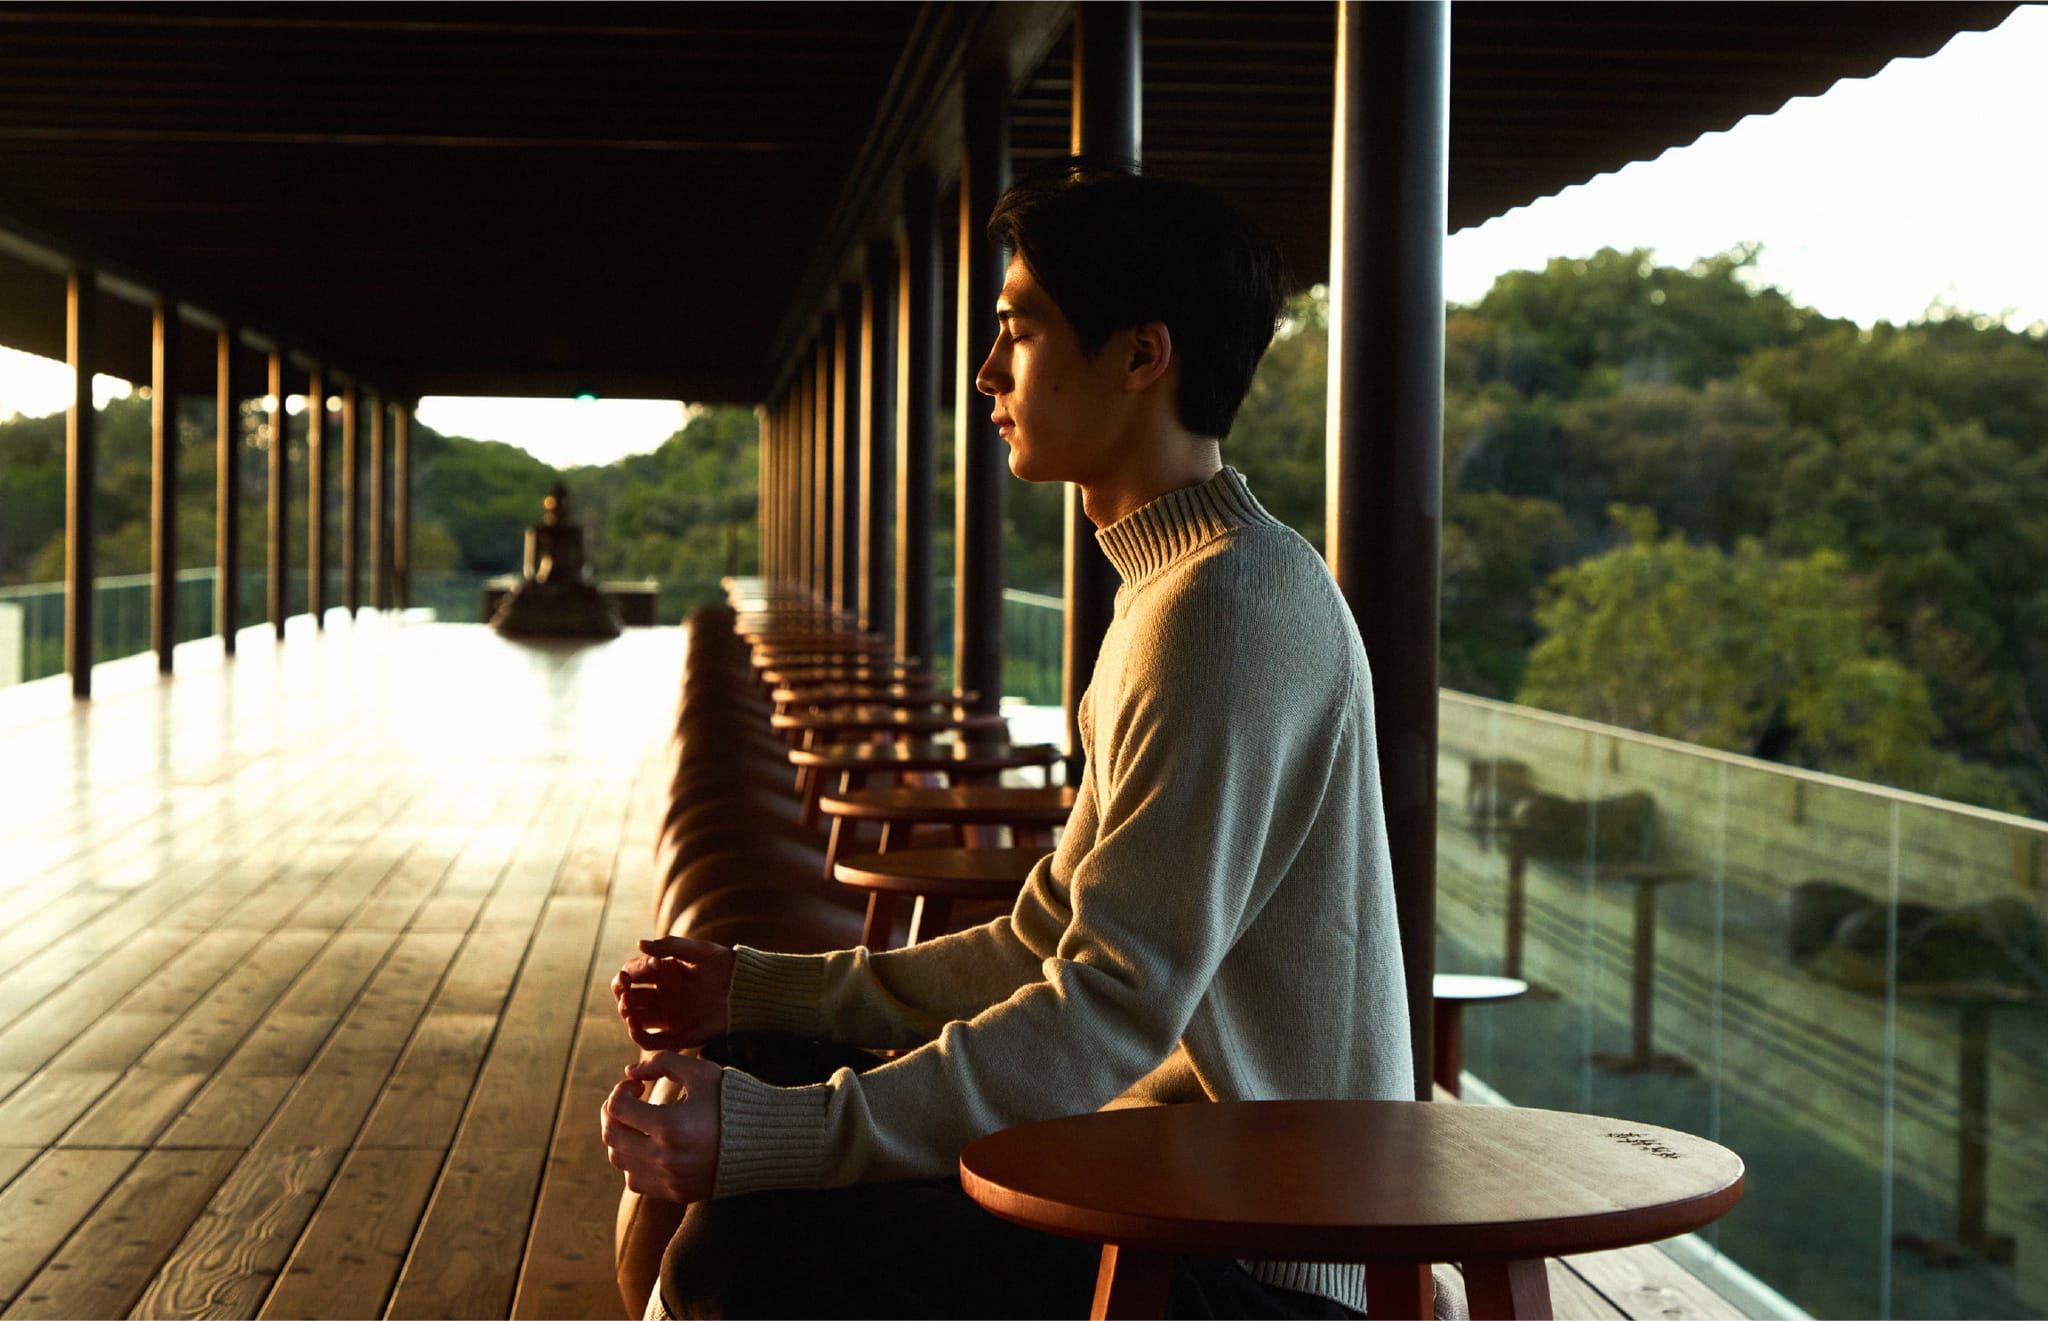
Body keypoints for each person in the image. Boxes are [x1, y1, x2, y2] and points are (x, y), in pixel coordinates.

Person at [601, 160, 1413, 1319]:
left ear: (1140, 356)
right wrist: (767, 994)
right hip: (1162, 1180)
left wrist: (787, 1133)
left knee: (742, 1253)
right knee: (750, 1072)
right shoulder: (1178, 588)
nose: (987, 371)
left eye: (1018, 333)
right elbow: (1047, 936)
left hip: (1259, 1253)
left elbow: (1109, 1003)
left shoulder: (1222, 615)